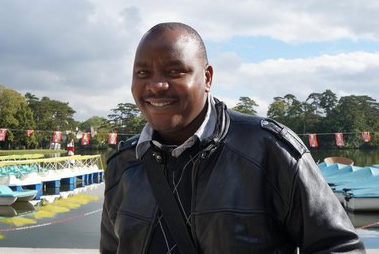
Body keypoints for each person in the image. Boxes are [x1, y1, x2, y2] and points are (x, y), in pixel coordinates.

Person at [100, 22, 365, 253]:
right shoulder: (124, 163)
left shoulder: (267, 149)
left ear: (207, 77)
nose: (156, 85)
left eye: (174, 71)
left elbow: (339, 246)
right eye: (143, 73)